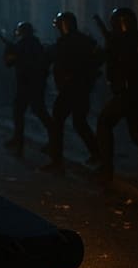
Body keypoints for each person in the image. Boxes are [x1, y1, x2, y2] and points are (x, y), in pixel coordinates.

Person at [94, 7, 138, 180]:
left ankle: (107, 167)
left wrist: (109, 49)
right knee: (136, 132)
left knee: (104, 122)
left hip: (129, 93)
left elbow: (127, 63)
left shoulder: (123, 41)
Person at [40, 12, 101, 172]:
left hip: (70, 89)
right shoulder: (85, 41)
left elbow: (51, 59)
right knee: (79, 123)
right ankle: (97, 153)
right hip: (81, 89)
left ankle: (57, 161)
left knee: (58, 122)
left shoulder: (65, 44)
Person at [1, 22, 51, 157]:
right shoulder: (36, 44)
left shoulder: (20, 46)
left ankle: (20, 141)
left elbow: (8, 63)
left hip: (26, 83)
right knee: (38, 111)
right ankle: (53, 139)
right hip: (35, 84)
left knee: (22, 113)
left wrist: (8, 50)